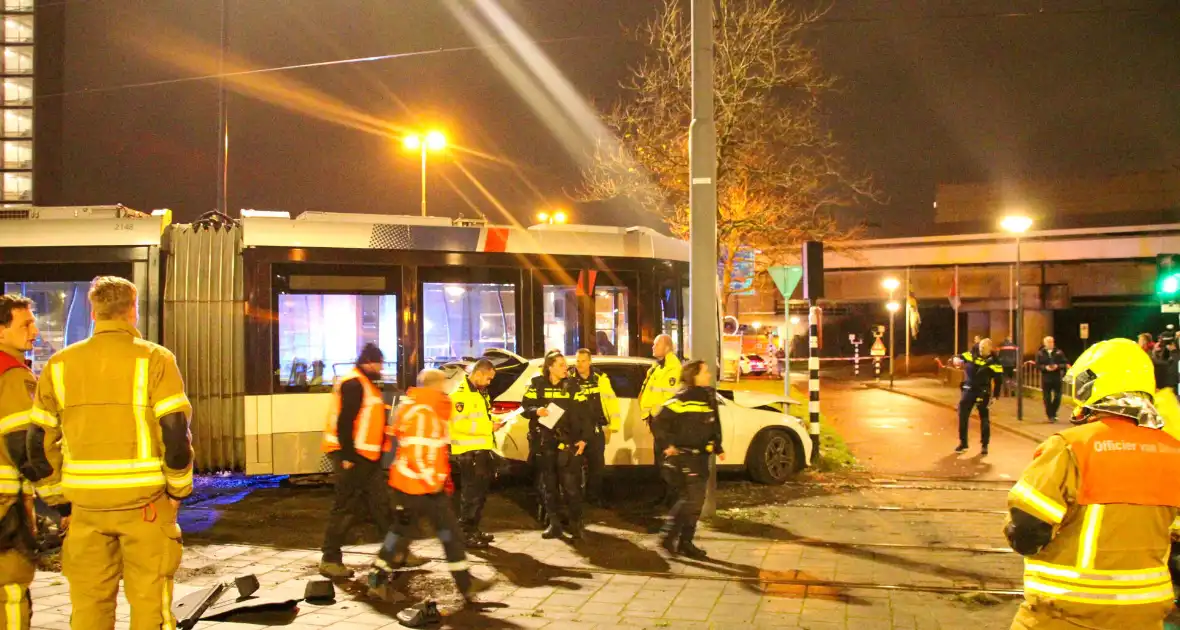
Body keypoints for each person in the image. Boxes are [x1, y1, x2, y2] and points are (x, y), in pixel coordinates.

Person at [25, 276, 194, 630]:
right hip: (145, 507)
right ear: (132, 310)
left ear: (92, 311)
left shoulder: (58, 365)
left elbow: (36, 444)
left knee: (88, 606)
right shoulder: (156, 359)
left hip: (85, 510)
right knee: (151, 606)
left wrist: (60, 501)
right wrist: (177, 490)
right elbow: (176, 434)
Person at [1005, 338, 1180, 630]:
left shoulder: (1071, 447)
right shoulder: (1174, 452)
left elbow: (1026, 529)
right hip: (1145, 618)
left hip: (1064, 614)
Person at [369, 369, 492, 604]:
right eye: (444, 382)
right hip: (419, 487)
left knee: (426, 534)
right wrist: (434, 482)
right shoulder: (424, 413)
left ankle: (465, 582)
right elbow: (418, 453)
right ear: (434, 385)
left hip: (412, 485)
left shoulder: (421, 407)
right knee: (424, 535)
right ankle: (464, 583)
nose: (447, 386)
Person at [0, 295, 66, 630]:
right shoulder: (12, 376)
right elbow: (23, 446)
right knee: (10, 591)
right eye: (25, 324)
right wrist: (58, 499)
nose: (35, 331)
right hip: (4, 509)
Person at [319, 343, 396, 578]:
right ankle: (330, 559)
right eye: (379, 363)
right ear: (368, 362)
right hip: (353, 457)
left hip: (367, 458)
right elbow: (345, 422)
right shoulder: (354, 383)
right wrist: (348, 457)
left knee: (381, 503)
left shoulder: (365, 383)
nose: (381, 368)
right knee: (345, 508)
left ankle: (396, 551)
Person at [651, 360, 722, 560]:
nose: (709, 375)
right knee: (691, 499)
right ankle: (669, 537)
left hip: (701, 456)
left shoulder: (707, 396)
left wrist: (717, 444)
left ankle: (684, 542)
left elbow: (713, 424)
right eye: (705, 371)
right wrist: (668, 445)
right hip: (685, 457)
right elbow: (658, 421)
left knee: (695, 501)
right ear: (694, 375)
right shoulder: (681, 399)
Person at [522, 351, 592, 540]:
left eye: (565, 364)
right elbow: (525, 407)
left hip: (567, 443)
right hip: (545, 443)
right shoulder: (537, 384)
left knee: (571, 487)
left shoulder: (573, 386)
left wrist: (584, 439)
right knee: (549, 486)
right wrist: (537, 411)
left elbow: (586, 415)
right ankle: (555, 524)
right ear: (550, 367)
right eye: (561, 365)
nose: (566, 368)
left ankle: (576, 524)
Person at [449, 358, 502, 550]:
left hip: (480, 450)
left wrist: (495, 419)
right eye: (488, 378)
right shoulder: (460, 395)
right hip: (468, 452)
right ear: (478, 373)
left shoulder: (479, 392)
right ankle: (465, 533)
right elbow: (458, 423)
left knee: (479, 495)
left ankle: (473, 529)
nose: (489, 382)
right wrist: (489, 426)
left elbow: (480, 416)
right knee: (470, 495)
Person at [569, 349, 620, 506]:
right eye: (577, 361)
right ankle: (575, 498)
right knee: (574, 466)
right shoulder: (570, 379)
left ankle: (593, 497)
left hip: (596, 428)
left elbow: (611, 401)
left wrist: (613, 426)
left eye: (583, 361)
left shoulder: (600, 378)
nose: (579, 364)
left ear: (590, 362)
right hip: (577, 430)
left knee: (597, 466)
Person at [639, 334, 682, 506]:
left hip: (666, 424)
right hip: (657, 422)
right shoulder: (659, 367)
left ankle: (672, 499)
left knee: (668, 463)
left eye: (656, 344)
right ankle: (666, 497)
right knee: (661, 462)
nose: (652, 347)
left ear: (667, 347)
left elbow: (670, 400)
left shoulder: (673, 369)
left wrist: (656, 416)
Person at [956, 338, 1003, 455]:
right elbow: (958, 357)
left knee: (984, 418)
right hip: (968, 389)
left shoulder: (994, 361)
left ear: (990, 349)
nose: (981, 350)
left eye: (984, 348)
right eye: (980, 347)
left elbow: (998, 379)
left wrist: (996, 395)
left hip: (983, 391)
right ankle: (963, 443)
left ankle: (984, 444)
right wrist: (956, 359)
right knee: (962, 416)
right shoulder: (971, 354)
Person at [1035, 336, 1068, 423]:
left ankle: (1053, 412)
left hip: (1056, 377)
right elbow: (1037, 365)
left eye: (1052, 342)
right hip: (1046, 378)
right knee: (1047, 397)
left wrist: (1058, 366)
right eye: (1048, 342)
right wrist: (1045, 368)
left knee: (1058, 396)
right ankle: (1050, 415)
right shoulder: (1040, 353)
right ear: (1044, 343)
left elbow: (1065, 363)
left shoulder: (1059, 352)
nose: (1050, 343)